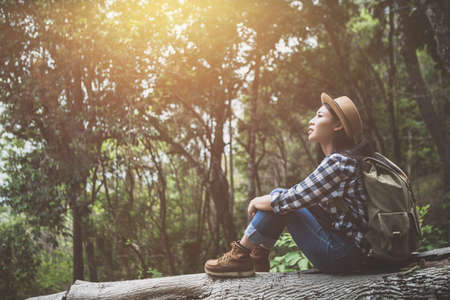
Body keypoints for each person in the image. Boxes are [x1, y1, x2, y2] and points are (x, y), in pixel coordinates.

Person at [204, 92, 373, 277]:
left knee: (280, 199)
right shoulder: (344, 161)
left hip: (343, 255)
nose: (311, 121)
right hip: (348, 253)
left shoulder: (339, 163)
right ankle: (256, 257)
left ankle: (241, 255)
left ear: (338, 125)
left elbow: (292, 199)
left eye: (319, 116)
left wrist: (256, 201)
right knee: (279, 198)